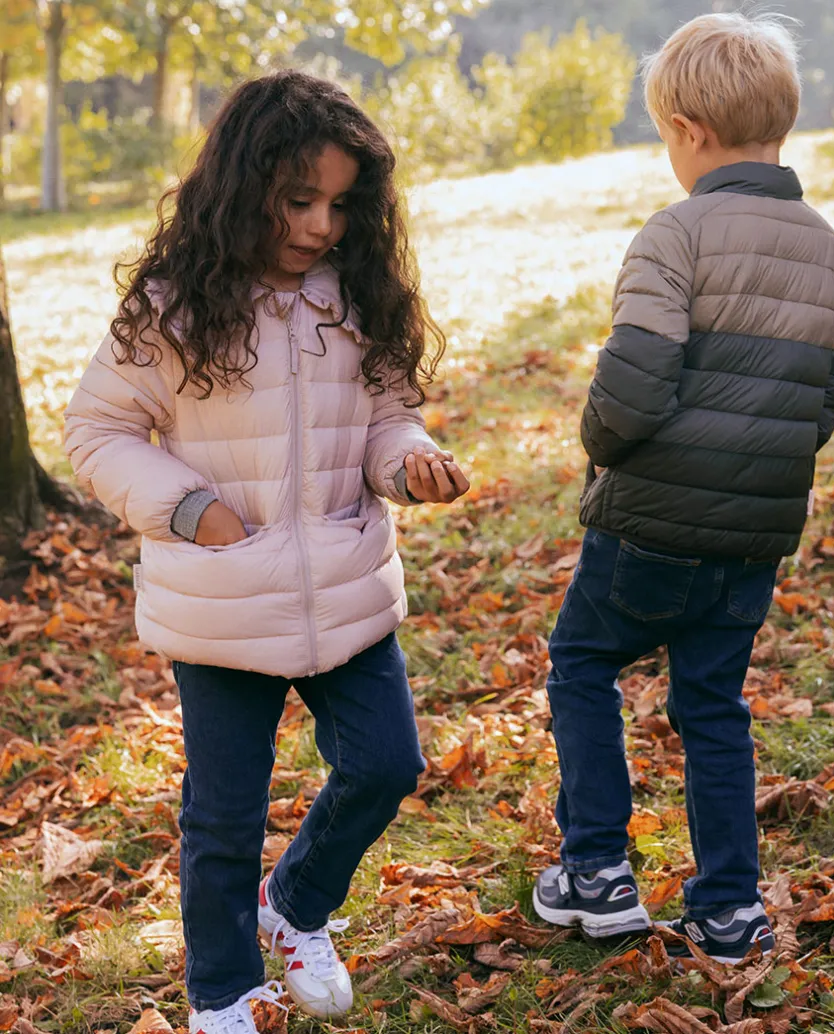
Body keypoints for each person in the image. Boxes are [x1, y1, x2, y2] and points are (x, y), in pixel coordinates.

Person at [64, 72, 470, 1033]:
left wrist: (408, 462)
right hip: (221, 597)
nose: (321, 225)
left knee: (385, 763)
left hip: (346, 580)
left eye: (340, 203)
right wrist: (186, 505)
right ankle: (223, 993)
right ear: (242, 186)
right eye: (298, 201)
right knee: (223, 817)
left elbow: (388, 419)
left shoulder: (355, 294)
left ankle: (294, 908)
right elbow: (98, 430)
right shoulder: (173, 306)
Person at [532, 12, 834, 963]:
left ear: (686, 129)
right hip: (751, 540)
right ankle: (729, 908)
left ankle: (596, 868)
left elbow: (634, 381)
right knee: (713, 707)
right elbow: (822, 405)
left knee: (583, 664)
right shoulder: (831, 254)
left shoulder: (675, 235)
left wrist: (598, 444)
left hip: (646, 525)